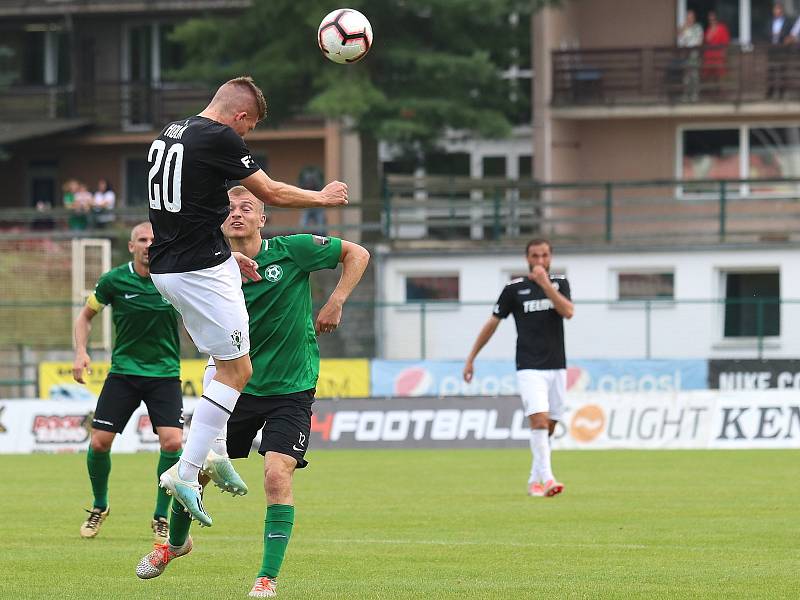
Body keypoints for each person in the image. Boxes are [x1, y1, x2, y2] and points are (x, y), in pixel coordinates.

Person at [136, 186, 370, 598]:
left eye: (248, 208)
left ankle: (266, 577)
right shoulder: (210, 271)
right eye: (228, 208)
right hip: (234, 388)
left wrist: (335, 301)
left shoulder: (293, 249)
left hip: (292, 389)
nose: (237, 213)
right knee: (198, 471)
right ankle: (175, 544)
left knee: (277, 474)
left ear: (264, 219)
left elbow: (358, 253)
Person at [146, 75, 348, 527]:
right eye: (249, 129)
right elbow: (271, 192)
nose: (245, 138)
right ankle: (189, 469)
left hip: (172, 267)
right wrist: (324, 198)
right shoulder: (218, 135)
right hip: (199, 268)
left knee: (223, 361)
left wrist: (226, 257)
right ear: (239, 117)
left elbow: (181, 209)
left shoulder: (171, 132)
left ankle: (213, 454)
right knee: (238, 370)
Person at [73, 221, 183, 543]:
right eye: (142, 239)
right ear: (132, 247)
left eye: (154, 238)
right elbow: (85, 317)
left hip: (163, 374)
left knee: (173, 443)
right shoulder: (114, 281)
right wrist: (81, 352)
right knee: (98, 443)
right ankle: (99, 506)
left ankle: (161, 516)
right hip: (124, 373)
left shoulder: (174, 280)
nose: (149, 244)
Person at [462, 239, 574, 498]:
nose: (540, 260)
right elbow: (492, 323)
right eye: (535, 256)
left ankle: (534, 479)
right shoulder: (514, 289)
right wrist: (471, 358)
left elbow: (568, 311)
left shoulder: (560, 284)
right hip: (528, 366)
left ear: (551, 257)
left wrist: (545, 284)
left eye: (545, 255)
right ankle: (548, 479)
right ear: (527, 259)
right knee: (538, 419)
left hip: (556, 365)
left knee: (550, 425)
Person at [677, 9, 704, 101]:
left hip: (694, 53)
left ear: (694, 18)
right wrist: (683, 27)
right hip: (685, 52)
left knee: (694, 74)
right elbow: (680, 39)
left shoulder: (697, 27)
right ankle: (685, 95)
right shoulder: (684, 27)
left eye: (691, 17)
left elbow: (699, 41)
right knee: (686, 75)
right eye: (688, 17)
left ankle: (694, 95)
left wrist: (694, 47)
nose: (689, 19)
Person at [702, 11, 731, 90]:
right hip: (709, 56)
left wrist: (724, 53)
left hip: (719, 55)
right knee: (709, 76)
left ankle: (721, 94)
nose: (712, 21)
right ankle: (711, 94)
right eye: (710, 20)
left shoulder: (722, 28)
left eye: (713, 19)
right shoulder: (708, 30)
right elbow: (706, 41)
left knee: (720, 75)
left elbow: (726, 42)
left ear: (716, 19)